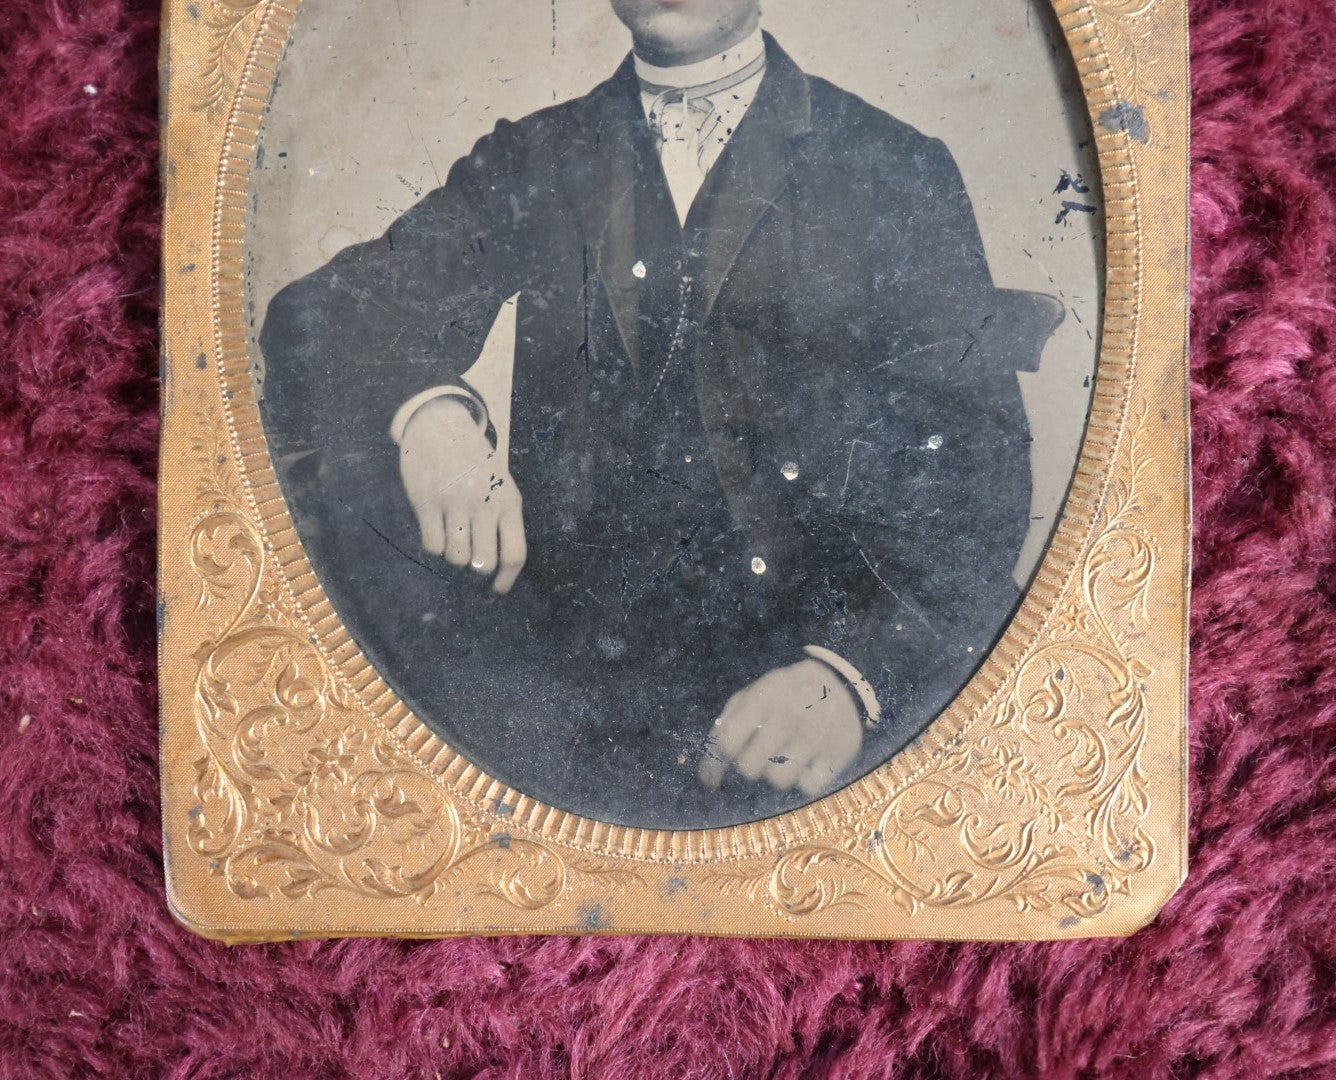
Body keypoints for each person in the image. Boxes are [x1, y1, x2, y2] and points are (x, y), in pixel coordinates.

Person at [258, 0, 1060, 829]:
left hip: (805, 689)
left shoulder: (896, 166)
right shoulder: (542, 153)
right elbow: (321, 316)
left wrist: (853, 675)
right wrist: (431, 413)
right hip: (569, 697)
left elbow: (978, 477)